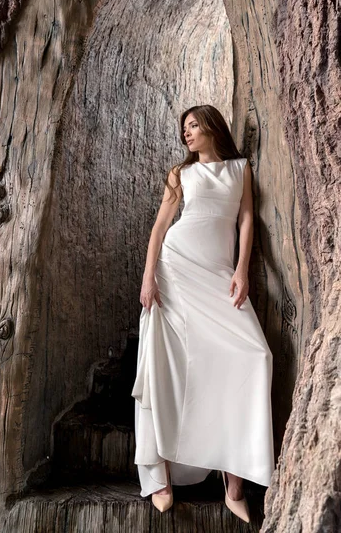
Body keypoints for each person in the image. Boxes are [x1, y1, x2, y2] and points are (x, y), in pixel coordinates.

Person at [131, 105, 275, 522]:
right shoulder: (181, 174)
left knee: (254, 356)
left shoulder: (239, 169)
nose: (187, 134)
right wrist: (148, 278)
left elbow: (246, 219)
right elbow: (160, 228)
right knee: (166, 365)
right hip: (175, 269)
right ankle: (159, 475)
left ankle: (235, 486)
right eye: (184, 129)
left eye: (193, 125)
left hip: (219, 276)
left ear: (212, 126)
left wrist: (242, 269)